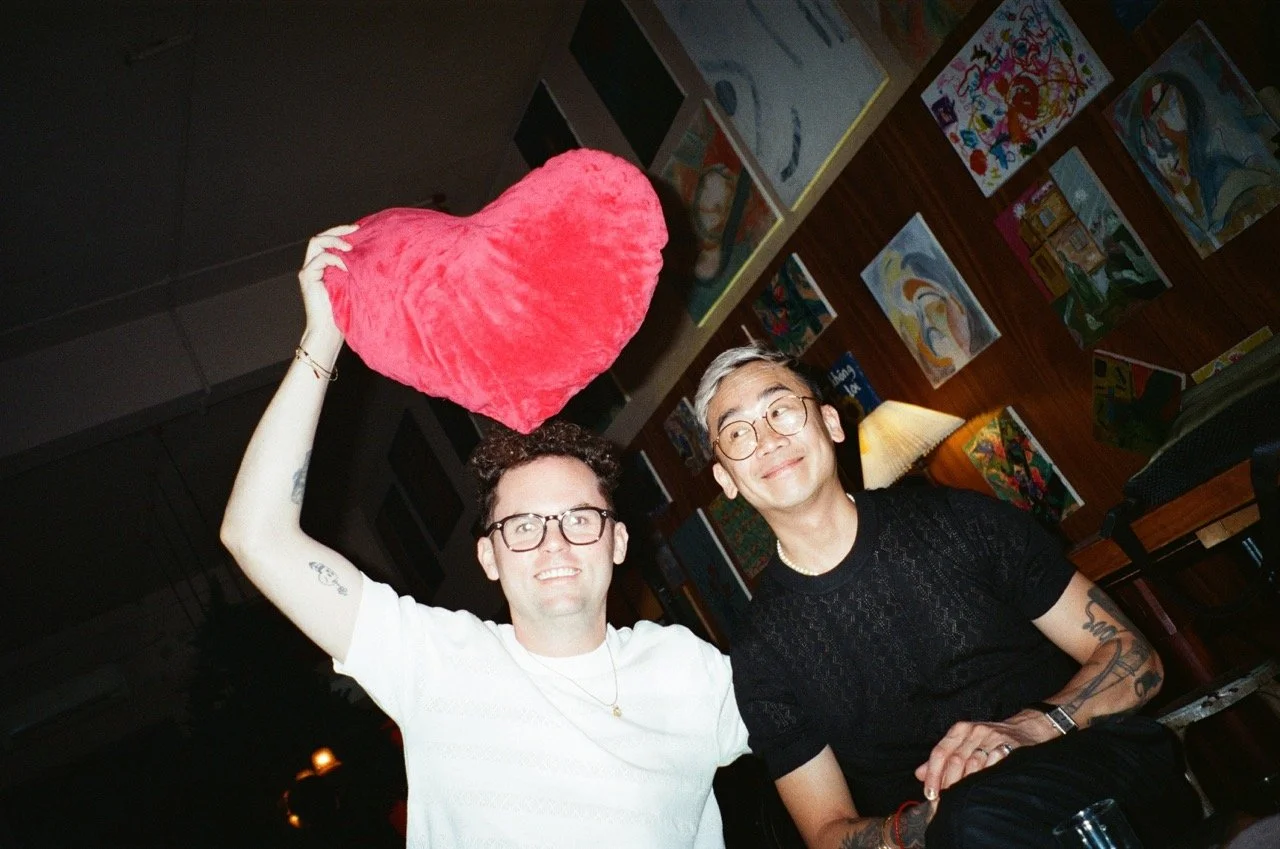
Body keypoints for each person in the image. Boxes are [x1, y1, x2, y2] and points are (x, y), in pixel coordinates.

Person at [221, 226, 749, 848]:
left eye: (580, 518)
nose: (554, 543)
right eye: (523, 526)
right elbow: (256, 536)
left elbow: (821, 718)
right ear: (488, 556)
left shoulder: (685, 669)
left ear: (618, 542)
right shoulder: (435, 662)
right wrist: (323, 337)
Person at [693, 343, 1199, 849]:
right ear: (726, 480)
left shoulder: (959, 520)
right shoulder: (760, 651)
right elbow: (826, 832)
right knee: (971, 822)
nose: (767, 440)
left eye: (781, 410)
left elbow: (1135, 658)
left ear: (831, 423)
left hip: (1089, 772)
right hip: (947, 837)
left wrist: (1028, 730)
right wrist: (923, 823)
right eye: (737, 433)